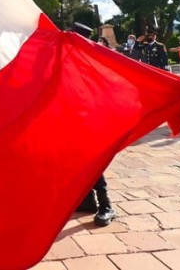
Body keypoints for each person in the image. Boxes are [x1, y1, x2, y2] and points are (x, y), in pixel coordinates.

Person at [71, 23, 117, 226]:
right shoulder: (70, 60)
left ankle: (106, 204)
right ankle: (87, 199)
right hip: (72, 117)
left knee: (93, 161)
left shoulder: (92, 60)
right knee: (77, 160)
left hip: (91, 118)